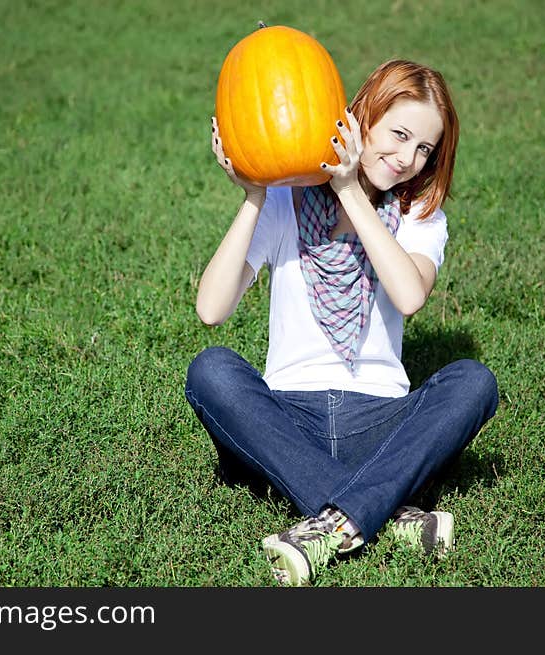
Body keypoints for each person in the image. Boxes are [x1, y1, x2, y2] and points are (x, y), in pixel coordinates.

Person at [185, 59, 499, 586]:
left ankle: (330, 517)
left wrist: (352, 190)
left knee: (474, 381)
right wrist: (255, 194)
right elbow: (211, 310)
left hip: (380, 423)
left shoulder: (421, 217)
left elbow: (408, 294)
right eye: (399, 136)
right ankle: (383, 511)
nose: (407, 160)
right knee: (211, 370)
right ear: (363, 117)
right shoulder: (287, 198)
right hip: (289, 418)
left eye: (425, 149)